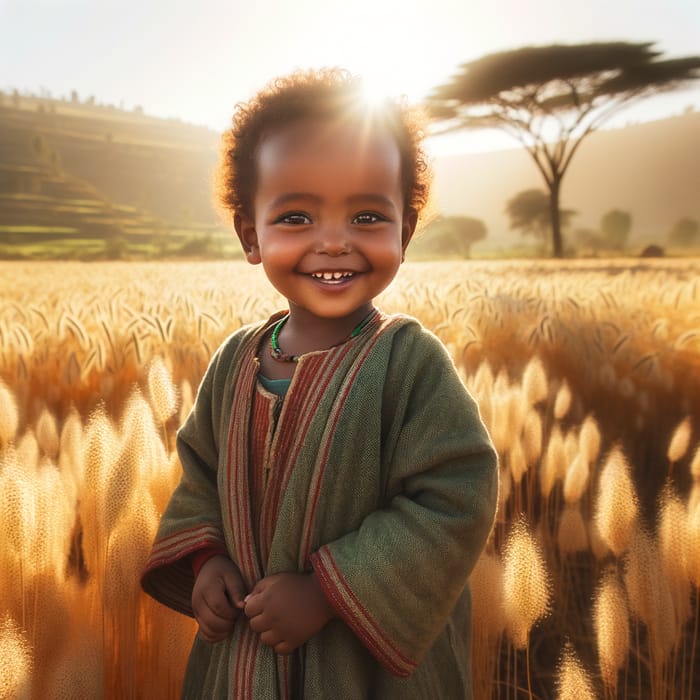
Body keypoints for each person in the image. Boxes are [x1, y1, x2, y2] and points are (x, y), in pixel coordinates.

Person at [141, 68, 498, 699]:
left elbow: (456, 495)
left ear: (405, 231)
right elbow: (200, 475)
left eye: (366, 215)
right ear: (250, 234)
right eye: (297, 217)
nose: (333, 242)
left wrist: (327, 592)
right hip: (246, 660)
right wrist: (206, 562)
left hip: (362, 670)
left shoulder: (410, 365)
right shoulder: (232, 363)